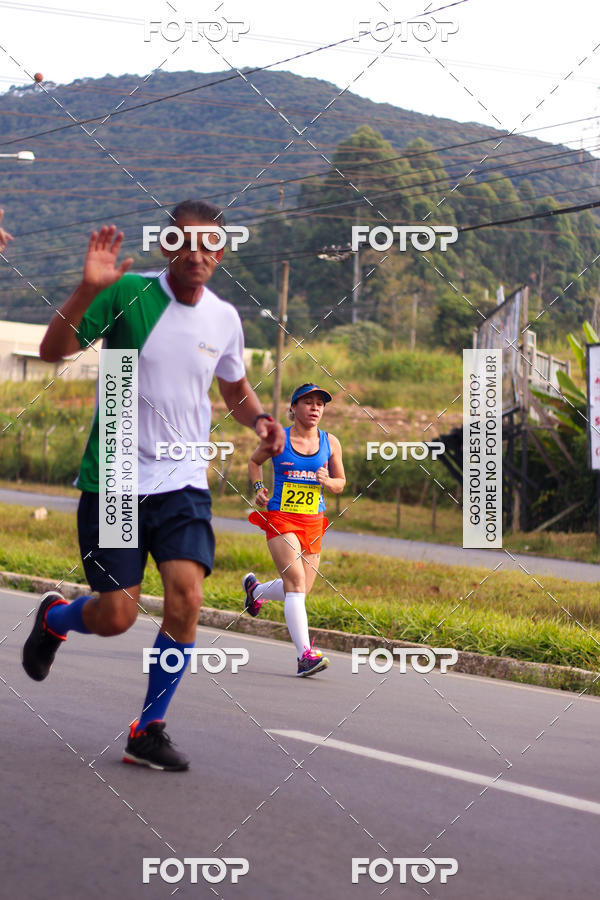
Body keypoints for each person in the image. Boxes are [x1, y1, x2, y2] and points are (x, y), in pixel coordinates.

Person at [22, 199, 285, 771]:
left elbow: (234, 390)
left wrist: (261, 421)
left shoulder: (223, 318)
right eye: (184, 241)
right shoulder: (126, 295)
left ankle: (148, 728)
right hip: (116, 474)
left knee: (187, 597)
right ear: (167, 246)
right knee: (117, 616)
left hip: (183, 480)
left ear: (221, 252)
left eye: (209, 243)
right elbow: (51, 351)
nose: (196, 252)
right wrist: (87, 290)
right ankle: (54, 619)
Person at [242, 383, 345, 676]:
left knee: (301, 589)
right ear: (294, 407)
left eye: (320, 404)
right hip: (281, 518)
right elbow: (254, 462)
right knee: (296, 584)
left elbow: (342, 483)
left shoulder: (330, 442)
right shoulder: (279, 439)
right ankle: (305, 657)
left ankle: (256, 591)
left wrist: (328, 482)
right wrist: (259, 488)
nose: (315, 408)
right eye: (308, 402)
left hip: (313, 521)